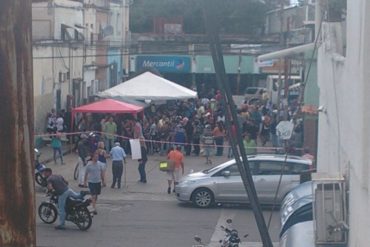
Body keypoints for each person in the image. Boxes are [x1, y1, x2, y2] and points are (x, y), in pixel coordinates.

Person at [84, 151, 106, 215]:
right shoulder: (89, 165)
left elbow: (102, 173)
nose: (97, 158)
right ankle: (93, 209)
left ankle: (88, 201)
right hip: (91, 182)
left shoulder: (100, 164)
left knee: (96, 196)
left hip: (98, 182)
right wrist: (85, 182)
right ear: (92, 158)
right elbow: (86, 174)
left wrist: (103, 181)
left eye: (97, 157)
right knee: (93, 195)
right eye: (95, 157)